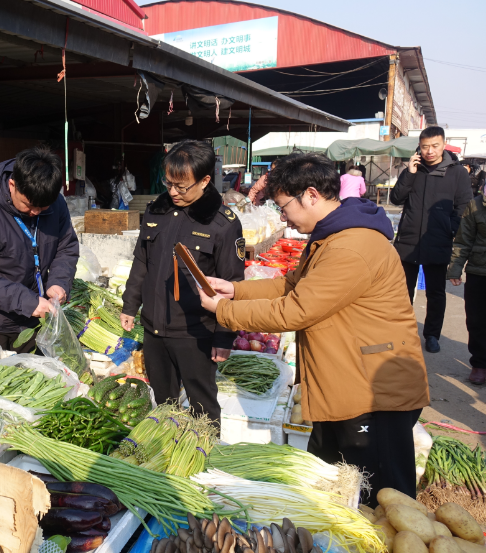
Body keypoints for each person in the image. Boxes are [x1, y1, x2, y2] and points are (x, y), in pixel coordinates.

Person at [198, 153, 430, 505]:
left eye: (283, 206)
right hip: (345, 381)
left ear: (310, 195)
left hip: (372, 392)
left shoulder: (351, 246)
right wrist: (237, 290)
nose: (283, 216)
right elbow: (292, 284)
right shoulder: (332, 236)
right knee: (336, 490)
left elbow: (297, 309)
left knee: (378, 500)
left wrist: (226, 312)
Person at [120, 140, 244, 424]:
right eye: (169, 183)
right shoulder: (156, 211)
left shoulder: (222, 223)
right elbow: (142, 261)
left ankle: (203, 458)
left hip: (196, 333)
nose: (173, 192)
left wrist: (225, 336)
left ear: (205, 181)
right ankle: (167, 458)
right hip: (154, 328)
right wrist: (130, 305)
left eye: (182, 186)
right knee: (163, 405)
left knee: (202, 408)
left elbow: (233, 283)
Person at [0, 146, 79, 353]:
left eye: (43, 209)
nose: (35, 212)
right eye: (29, 205)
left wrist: (59, 282)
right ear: (12, 185)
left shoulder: (56, 204)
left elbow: (66, 247)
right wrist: (28, 302)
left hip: (33, 318)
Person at [390, 126, 472, 353]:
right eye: (425, 146)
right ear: (419, 147)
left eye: (435, 146)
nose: (430, 151)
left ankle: (432, 335)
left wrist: (450, 230)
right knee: (402, 292)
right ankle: (402, 333)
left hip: (438, 241)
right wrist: (409, 173)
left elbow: (464, 207)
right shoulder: (414, 169)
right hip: (407, 242)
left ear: (443, 145)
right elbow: (396, 198)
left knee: (436, 293)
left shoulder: (457, 173)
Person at [447, 192, 486, 385]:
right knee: (477, 320)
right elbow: (463, 240)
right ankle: (479, 363)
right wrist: (455, 269)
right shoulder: (476, 204)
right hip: (479, 270)